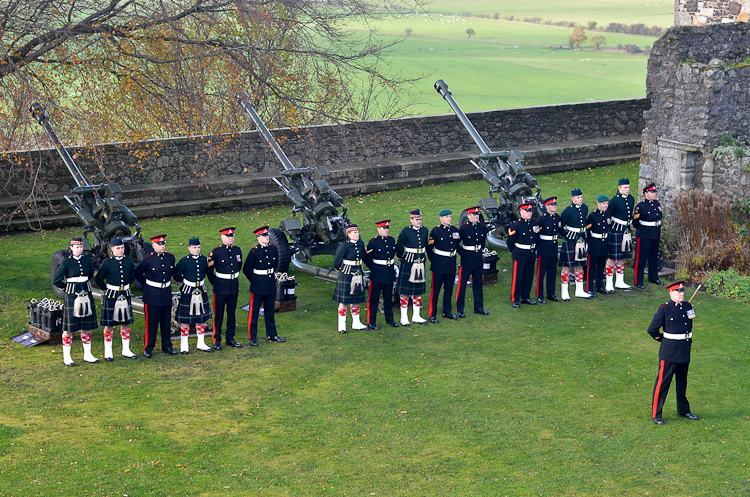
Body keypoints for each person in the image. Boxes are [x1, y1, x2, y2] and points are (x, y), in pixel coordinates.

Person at [647, 280, 699, 425]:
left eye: (682, 291)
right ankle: (656, 414)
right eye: (678, 292)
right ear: (671, 293)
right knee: (663, 383)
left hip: (684, 350)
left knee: (682, 383)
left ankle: (683, 410)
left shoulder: (688, 306)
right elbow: (652, 330)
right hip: (669, 352)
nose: (681, 294)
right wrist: (664, 341)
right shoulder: (664, 309)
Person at [53, 236, 99, 366]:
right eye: (77, 247)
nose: (79, 249)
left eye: (81, 247)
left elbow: (90, 274)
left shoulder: (86, 260)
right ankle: (67, 357)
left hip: (86, 293)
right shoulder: (66, 262)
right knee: (69, 328)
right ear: (71, 248)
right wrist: (67, 288)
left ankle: (88, 354)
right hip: (72, 296)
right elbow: (56, 280)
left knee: (86, 326)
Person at [135, 234, 177, 358]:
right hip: (152, 295)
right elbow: (138, 273)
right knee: (151, 323)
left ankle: (167, 346)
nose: (162, 246)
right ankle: (148, 348)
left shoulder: (170, 258)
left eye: (163, 244)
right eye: (159, 244)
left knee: (166, 321)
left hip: (166, 293)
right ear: (153, 246)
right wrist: (146, 286)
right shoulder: (148, 260)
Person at [95, 237, 137, 361]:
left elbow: (132, 276)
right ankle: (108, 351)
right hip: (111, 294)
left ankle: (126, 350)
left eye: (122, 248)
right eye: (118, 248)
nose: (120, 250)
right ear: (112, 249)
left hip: (125, 293)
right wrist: (106, 289)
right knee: (109, 324)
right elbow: (99, 279)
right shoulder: (107, 262)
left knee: (126, 323)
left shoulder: (129, 260)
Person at [242, 226, 286, 345]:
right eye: (264, 236)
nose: (267, 237)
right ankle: (253, 337)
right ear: (258, 238)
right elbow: (246, 269)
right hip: (258, 284)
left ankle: (272, 335)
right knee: (254, 312)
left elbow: (275, 264)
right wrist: (255, 280)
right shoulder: (254, 252)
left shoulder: (273, 249)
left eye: (267, 235)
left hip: (270, 283)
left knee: (270, 311)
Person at [173, 237, 212, 353]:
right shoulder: (184, 261)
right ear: (189, 248)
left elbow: (207, 272)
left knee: (201, 318)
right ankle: (184, 345)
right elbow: (176, 275)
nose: (197, 250)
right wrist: (185, 284)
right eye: (194, 248)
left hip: (201, 290)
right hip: (188, 290)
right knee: (185, 320)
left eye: (199, 247)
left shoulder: (204, 259)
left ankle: (201, 343)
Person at [207, 227, 243, 350]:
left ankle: (230, 338)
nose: (230, 238)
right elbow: (209, 270)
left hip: (233, 285)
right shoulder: (215, 252)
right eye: (228, 236)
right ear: (222, 238)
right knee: (219, 314)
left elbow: (239, 266)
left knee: (231, 313)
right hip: (221, 286)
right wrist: (216, 283)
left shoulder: (237, 250)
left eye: (232, 236)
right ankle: (217, 339)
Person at [363, 220, 399, 330]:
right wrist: (374, 268)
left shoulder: (392, 240)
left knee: (388, 298)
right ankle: (371, 322)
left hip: (388, 272)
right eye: (384, 228)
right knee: (374, 299)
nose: (386, 230)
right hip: (378, 273)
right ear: (378, 229)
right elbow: (367, 258)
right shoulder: (373, 242)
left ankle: (390, 319)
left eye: (387, 228)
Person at [395, 209, 429, 326]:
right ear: (411, 220)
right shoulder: (406, 231)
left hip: (421, 261)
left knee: (417, 290)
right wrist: (402, 258)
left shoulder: (425, 230)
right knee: (405, 290)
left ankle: (416, 315)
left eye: (420, 219)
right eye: (417, 219)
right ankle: (404, 317)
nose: (419, 221)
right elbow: (399, 247)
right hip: (409, 261)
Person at [333, 224, 368, 333]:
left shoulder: (361, 244)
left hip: (358, 271)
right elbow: (336, 262)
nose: (357, 234)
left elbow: (364, 257)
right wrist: (342, 270)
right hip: (347, 273)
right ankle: (341, 326)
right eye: (354, 233)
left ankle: (356, 323)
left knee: (356, 298)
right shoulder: (344, 246)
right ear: (348, 234)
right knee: (344, 301)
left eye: (357, 232)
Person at [426, 209, 460, 323]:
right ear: (441, 218)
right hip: (439, 264)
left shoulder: (455, 230)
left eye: (450, 216)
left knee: (449, 289)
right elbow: (429, 248)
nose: (449, 219)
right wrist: (434, 261)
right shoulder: (436, 231)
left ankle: (447, 311)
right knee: (435, 290)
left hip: (451, 263)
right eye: (446, 217)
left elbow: (457, 246)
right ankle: (432, 313)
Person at [456, 206, 489, 316]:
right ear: (469, 216)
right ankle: (460, 309)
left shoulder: (482, 227)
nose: (476, 216)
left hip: (478, 257)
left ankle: (478, 307)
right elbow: (456, 244)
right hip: (467, 257)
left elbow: (482, 241)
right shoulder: (463, 229)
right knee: (462, 284)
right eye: (474, 215)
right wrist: (463, 253)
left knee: (478, 284)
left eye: (477, 214)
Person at [559, 189, 591, 301]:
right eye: (578, 197)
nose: (580, 199)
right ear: (572, 198)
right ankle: (564, 292)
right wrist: (567, 234)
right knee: (567, 265)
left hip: (581, 238)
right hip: (571, 239)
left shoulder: (585, 208)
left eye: (581, 197)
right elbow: (560, 226)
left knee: (580, 264)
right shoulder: (568, 211)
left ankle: (579, 290)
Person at [507, 201, 539, 308]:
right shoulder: (516, 225)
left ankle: (526, 297)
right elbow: (510, 241)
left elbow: (536, 238)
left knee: (528, 277)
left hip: (530, 253)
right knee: (518, 277)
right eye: (527, 211)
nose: (529, 213)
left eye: (530, 211)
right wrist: (513, 251)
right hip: (519, 253)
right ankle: (515, 299)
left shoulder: (534, 223)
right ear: (521, 212)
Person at [606, 178, 635, 292]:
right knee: (613, 256)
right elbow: (608, 215)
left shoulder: (631, 198)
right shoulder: (614, 200)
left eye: (628, 187)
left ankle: (620, 281)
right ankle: (609, 283)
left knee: (622, 255)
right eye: (625, 187)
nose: (627, 189)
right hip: (616, 229)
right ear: (619, 188)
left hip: (626, 230)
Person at [633, 183, 664, 288]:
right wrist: (642, 230)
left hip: (655, 234)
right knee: (641, 258)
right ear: (646, 193)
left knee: (653, 257)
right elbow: (635, 222)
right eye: (652, 192)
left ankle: (654, 277)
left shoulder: (657, 204)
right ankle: (638, 281)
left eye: (654, 192)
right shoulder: (640, 206)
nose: (654, 194)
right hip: (644, 235)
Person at [535, 197, 562, 303]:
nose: (554, 206)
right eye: (552, 205)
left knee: (552, 272)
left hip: (553, 247)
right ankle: (540, 295)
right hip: (544, 248)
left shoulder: (557, 218)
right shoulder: (541, 220)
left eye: (555, 204)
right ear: (547, 206)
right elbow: (536, 234)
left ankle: (551, 293)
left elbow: (560, 230)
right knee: (541, 273)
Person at [585, 195, 612, 296]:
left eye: (607, 204)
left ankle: (600, 286)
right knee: (591, 267)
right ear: (598, 204)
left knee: (601, 266)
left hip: (604, 242)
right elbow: (587, 230)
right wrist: (589, 241)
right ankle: (590, 287)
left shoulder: (608, 215)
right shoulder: (592, 216)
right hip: (595, 242)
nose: (606, 206)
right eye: (604, 204)